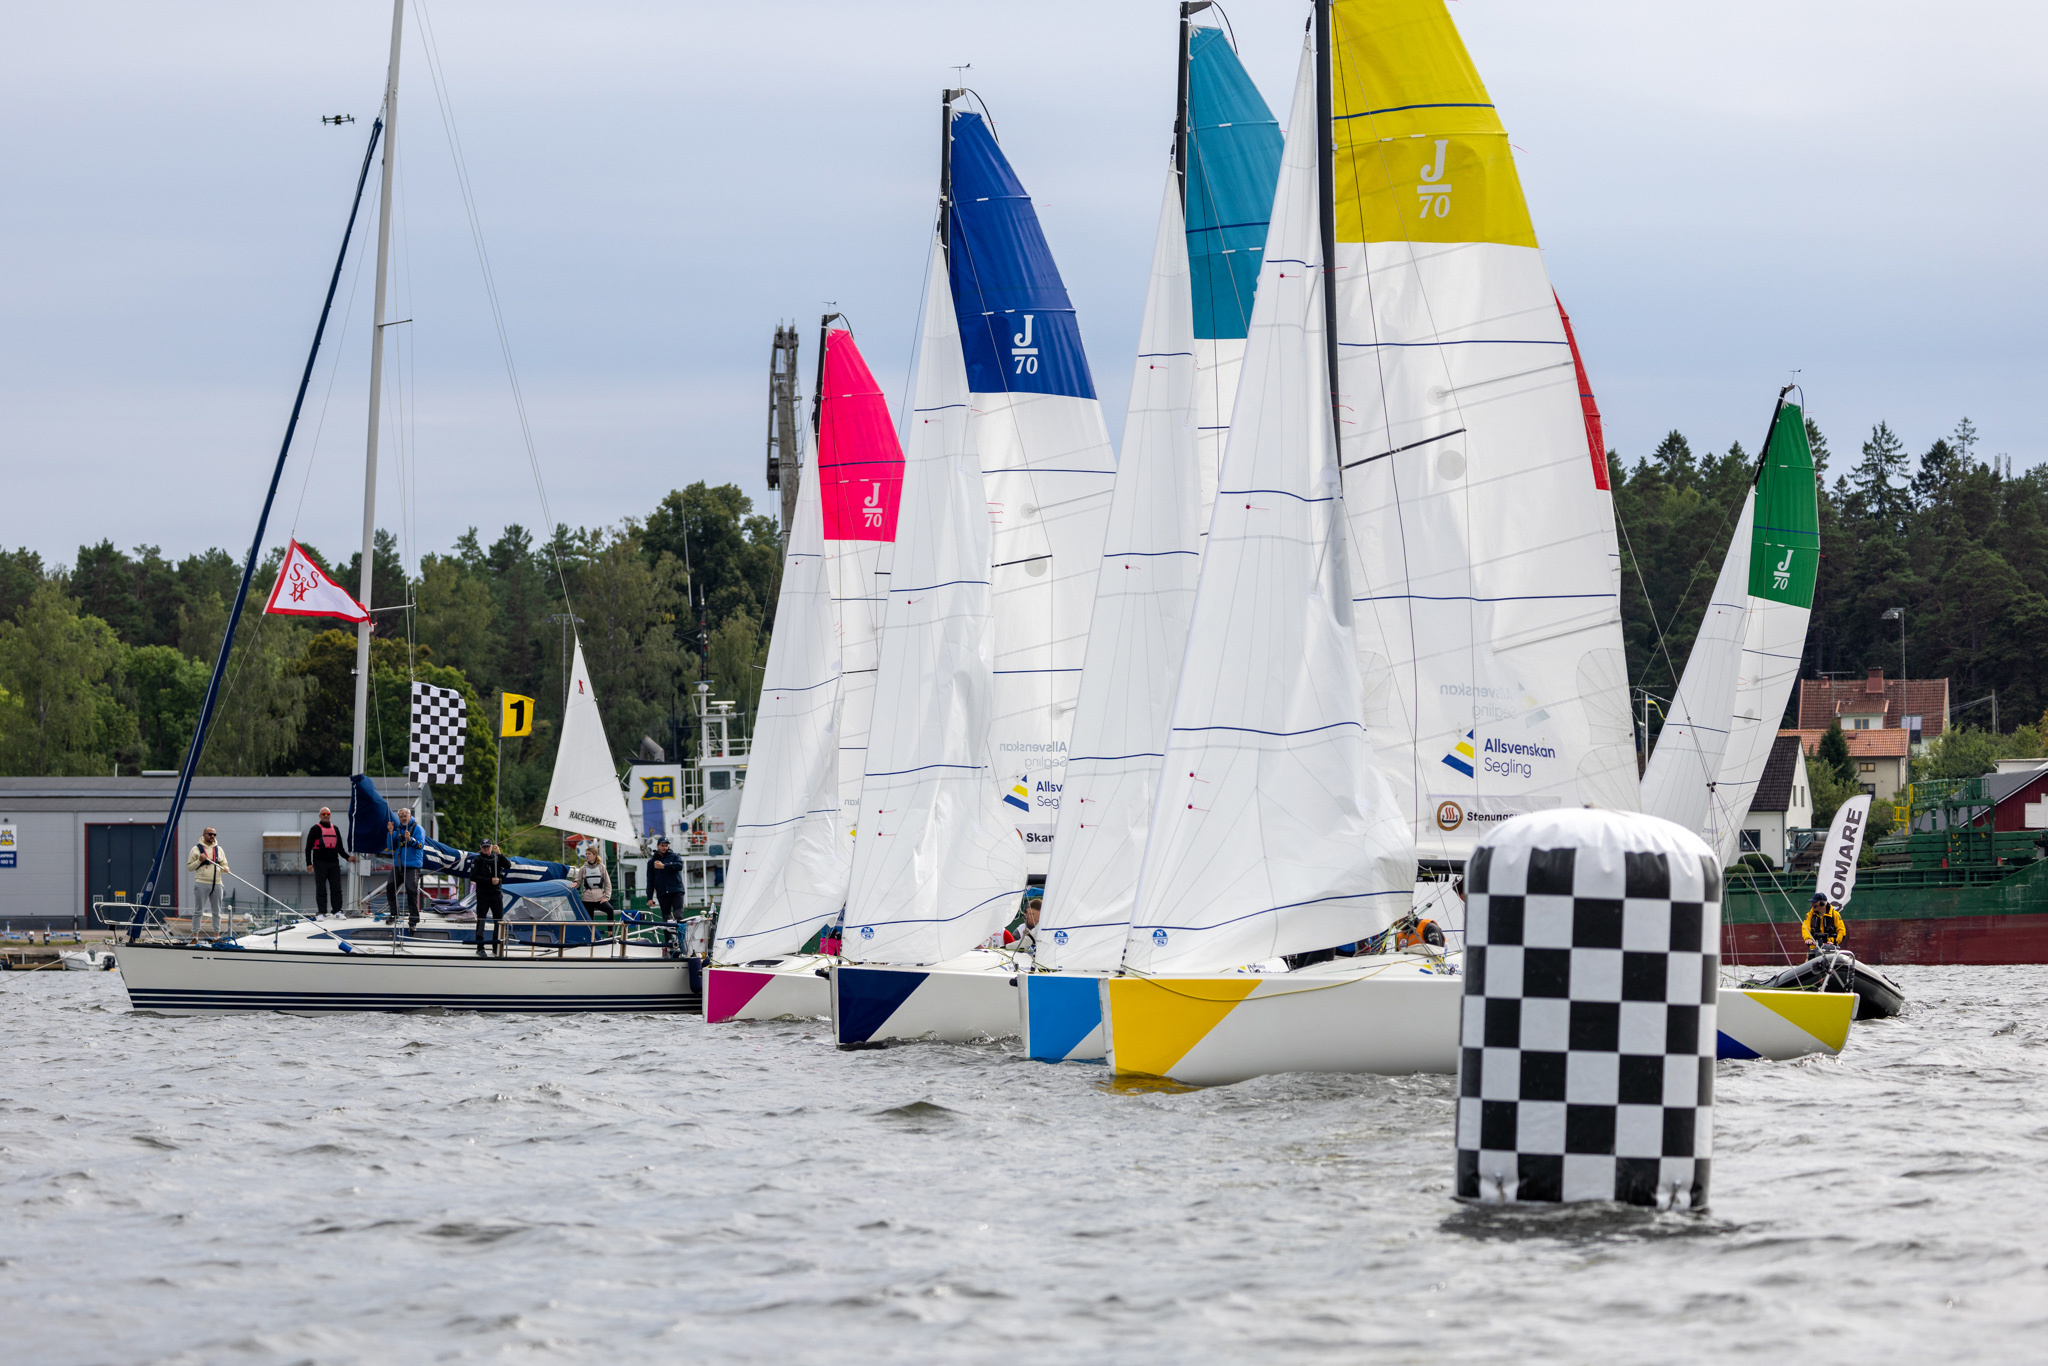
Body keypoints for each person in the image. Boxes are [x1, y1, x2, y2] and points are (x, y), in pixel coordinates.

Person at [304, 807, 350, 916]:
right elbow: (308, 848)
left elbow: (340, 848)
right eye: (323, 814)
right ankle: (322, 912)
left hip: (334, 863)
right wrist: (309, 863)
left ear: (330, 815)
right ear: (320, 815)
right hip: (319, 863)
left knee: (336, 888)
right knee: (321, 888)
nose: (325, 815)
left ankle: (337, 911)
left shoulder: (335, 829)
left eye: (327, 814)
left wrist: (348, 857)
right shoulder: (315, 829)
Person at [469, 838, 511, 957]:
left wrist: (500, 854)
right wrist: (489, 880)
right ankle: (480, 947)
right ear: (481, 848)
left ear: (491, 847)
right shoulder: (477, 860)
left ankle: (495, 946)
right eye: (484, 847)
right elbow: (473, 876)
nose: (486, 849)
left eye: (488, 847)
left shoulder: (497, 858)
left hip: (496, 894)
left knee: (498, 920)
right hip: (483, 895)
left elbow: (508, 865)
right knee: (481, 920)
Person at [387, 807, 427, 930]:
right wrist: (390, 833)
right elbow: (391, 847)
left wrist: (410, 839)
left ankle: (413, 919)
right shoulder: (398, 830)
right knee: (390, 887)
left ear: (410, 816)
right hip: (399, 865)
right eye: (401, 816)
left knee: (411, 889)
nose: (403, 818)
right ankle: (394, 914)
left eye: (405, 816)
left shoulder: (418, 829)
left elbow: (420, 845)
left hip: (412, 866)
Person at [185, 827, 230, 938]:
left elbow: (224, 864)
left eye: (214, 834)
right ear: (204, 835)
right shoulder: (195, 849)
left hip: (217, 883)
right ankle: (195, 936)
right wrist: (199, 861)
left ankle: (216, 936)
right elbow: (189, 868)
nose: (212, 836)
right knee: (198, 911)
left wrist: (225, 869)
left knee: (217, 911)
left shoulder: (219, 849)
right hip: (202, 883)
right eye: (210, 834)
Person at [646, 836, 684, 922]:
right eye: (662, 845)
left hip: (676, 890)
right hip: (662, 892)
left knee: (678, 915)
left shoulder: (675, 856)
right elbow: (650, 880)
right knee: (666, 919)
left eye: (666, 846)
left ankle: (680, 931)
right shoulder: (651, 862)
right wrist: (649, 898)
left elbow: (680, 866)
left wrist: (664, 866)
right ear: (657, 845)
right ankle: (669, 931)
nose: (665, 848)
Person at [575, 842, 614, 924]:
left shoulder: (601, 867)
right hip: (587, 899)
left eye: (589, 854)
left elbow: (608, 883)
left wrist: (606, 897)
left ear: (594, 855)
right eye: (586, 854)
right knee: (590, 921)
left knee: (610, 910)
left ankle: (610, 931)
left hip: (599, 898)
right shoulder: (583, 868)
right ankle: (590, 932)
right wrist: (575, 883)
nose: (587, 855)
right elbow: (578, 880)